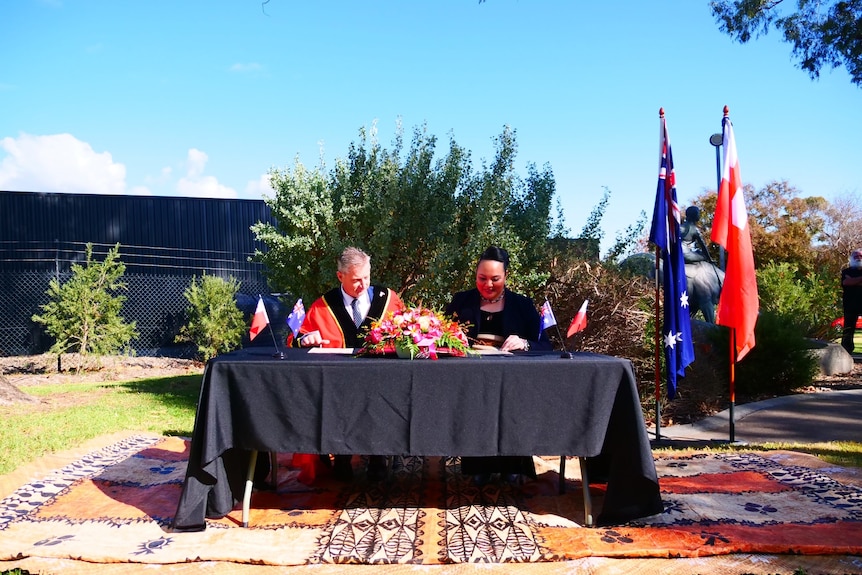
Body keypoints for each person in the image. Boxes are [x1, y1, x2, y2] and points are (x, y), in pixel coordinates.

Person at [290, 246, 404, 482]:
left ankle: (378, 456)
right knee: (334, 399)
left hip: (380, 378)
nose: (363, 285)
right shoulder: (323, 306)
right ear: (340, 276)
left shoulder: (389, 299)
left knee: (381, 397)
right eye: (355, 280)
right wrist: (306, 339)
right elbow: (295, 338)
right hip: (339, 382)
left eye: (366, 278)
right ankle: (341, 456)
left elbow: (406, 332)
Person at [445, 245, 552, 485]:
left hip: (512, 383)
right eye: (482, 278)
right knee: (476, 414)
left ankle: (513, 465)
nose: (488, 285)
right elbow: (437, 335)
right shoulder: (461, 301)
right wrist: (451, 337)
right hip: (471, 381)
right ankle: (478, 465)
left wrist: (525, 343)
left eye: (495, 279)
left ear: (506, 276)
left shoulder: (522, 305)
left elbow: (546, 345)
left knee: (510, 416)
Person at [840, 248, 862, 354]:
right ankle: (846, 352)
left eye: (860, 256)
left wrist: (854, 281)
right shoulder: (846, 271)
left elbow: (851, 281)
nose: (858, 258)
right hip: (850, 304)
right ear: (852, 258)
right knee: (848, 329)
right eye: (856, 256)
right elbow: (846, 282)